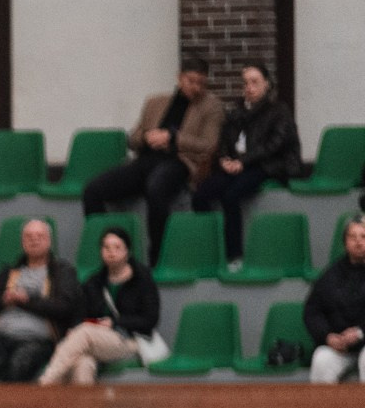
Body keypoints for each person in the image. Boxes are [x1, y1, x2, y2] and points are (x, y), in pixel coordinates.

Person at [83, 54, 225, 258]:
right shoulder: (155, 102)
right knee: (93, 190)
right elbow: (133, 138)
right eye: (191, 81)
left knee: (156, 187)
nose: (196, 88)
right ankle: (107, 248)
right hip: (146, 160)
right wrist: (147, 137)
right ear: (179, 78)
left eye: (201, 83)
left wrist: (173, 138)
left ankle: (157, 255)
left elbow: (209, 145)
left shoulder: (211, 107)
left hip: (180, 162)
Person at [192, 63, 303, 266]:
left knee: (231, 196)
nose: (249, 87)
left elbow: (273, 146)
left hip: (268, 165)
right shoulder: (237, 111)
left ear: (266, 85)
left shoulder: (279, 111)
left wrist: (242, 162)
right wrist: (224, 159)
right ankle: (209, 247)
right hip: (237, 165)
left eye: (254, 82)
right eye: (245, 83)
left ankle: (234, 256)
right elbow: (224, 141)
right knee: (200, 195)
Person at [38, 227, 159, 385]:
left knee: (84, 333)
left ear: (127, 252)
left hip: (129, 340)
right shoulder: (94, 282)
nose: (111, 252)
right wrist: (75, 328)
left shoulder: (142, 280)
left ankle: (45, 384)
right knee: (83, 363)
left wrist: (114, 322)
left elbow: (149, 320)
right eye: (106, 247)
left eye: (117, 247)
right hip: (96, 340)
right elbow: (80, 314)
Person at [0, 218, 82, 382]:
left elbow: (63, 308)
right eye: (29, 237)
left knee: (18, 366)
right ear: (23, 242)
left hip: (38, 341)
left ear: (49, 241)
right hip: (1, 338)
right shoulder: (10, 271)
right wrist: (5, 300)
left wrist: (26, 300)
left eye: (39, 236)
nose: (34, 240)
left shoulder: (61, 271)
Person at [305, 215, 365, 384]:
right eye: (352, 237)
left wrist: (360, 332)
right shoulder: (330, 275)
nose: (358, 242)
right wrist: (327, 336)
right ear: (345, 242)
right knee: (321, 359)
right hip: (339, 346)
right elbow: (312, 312)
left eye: (363, 236)